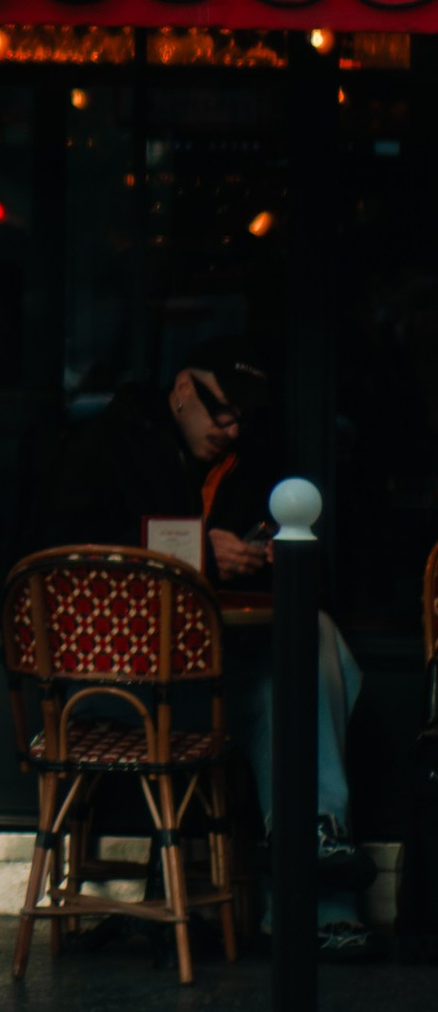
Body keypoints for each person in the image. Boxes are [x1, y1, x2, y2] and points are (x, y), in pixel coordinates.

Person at [63, 353, 366, 948]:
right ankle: (317, 875)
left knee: (311, 639)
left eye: (241, 420)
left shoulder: (249, 463)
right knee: (304, 669)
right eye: (220, 413)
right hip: (112, 681)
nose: (230, 430)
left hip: (204, 675)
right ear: (181, 390)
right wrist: (202, 553)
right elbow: (77, 557)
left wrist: (274, 562)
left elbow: (307, 572)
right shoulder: (106, 447)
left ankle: (314, 839)